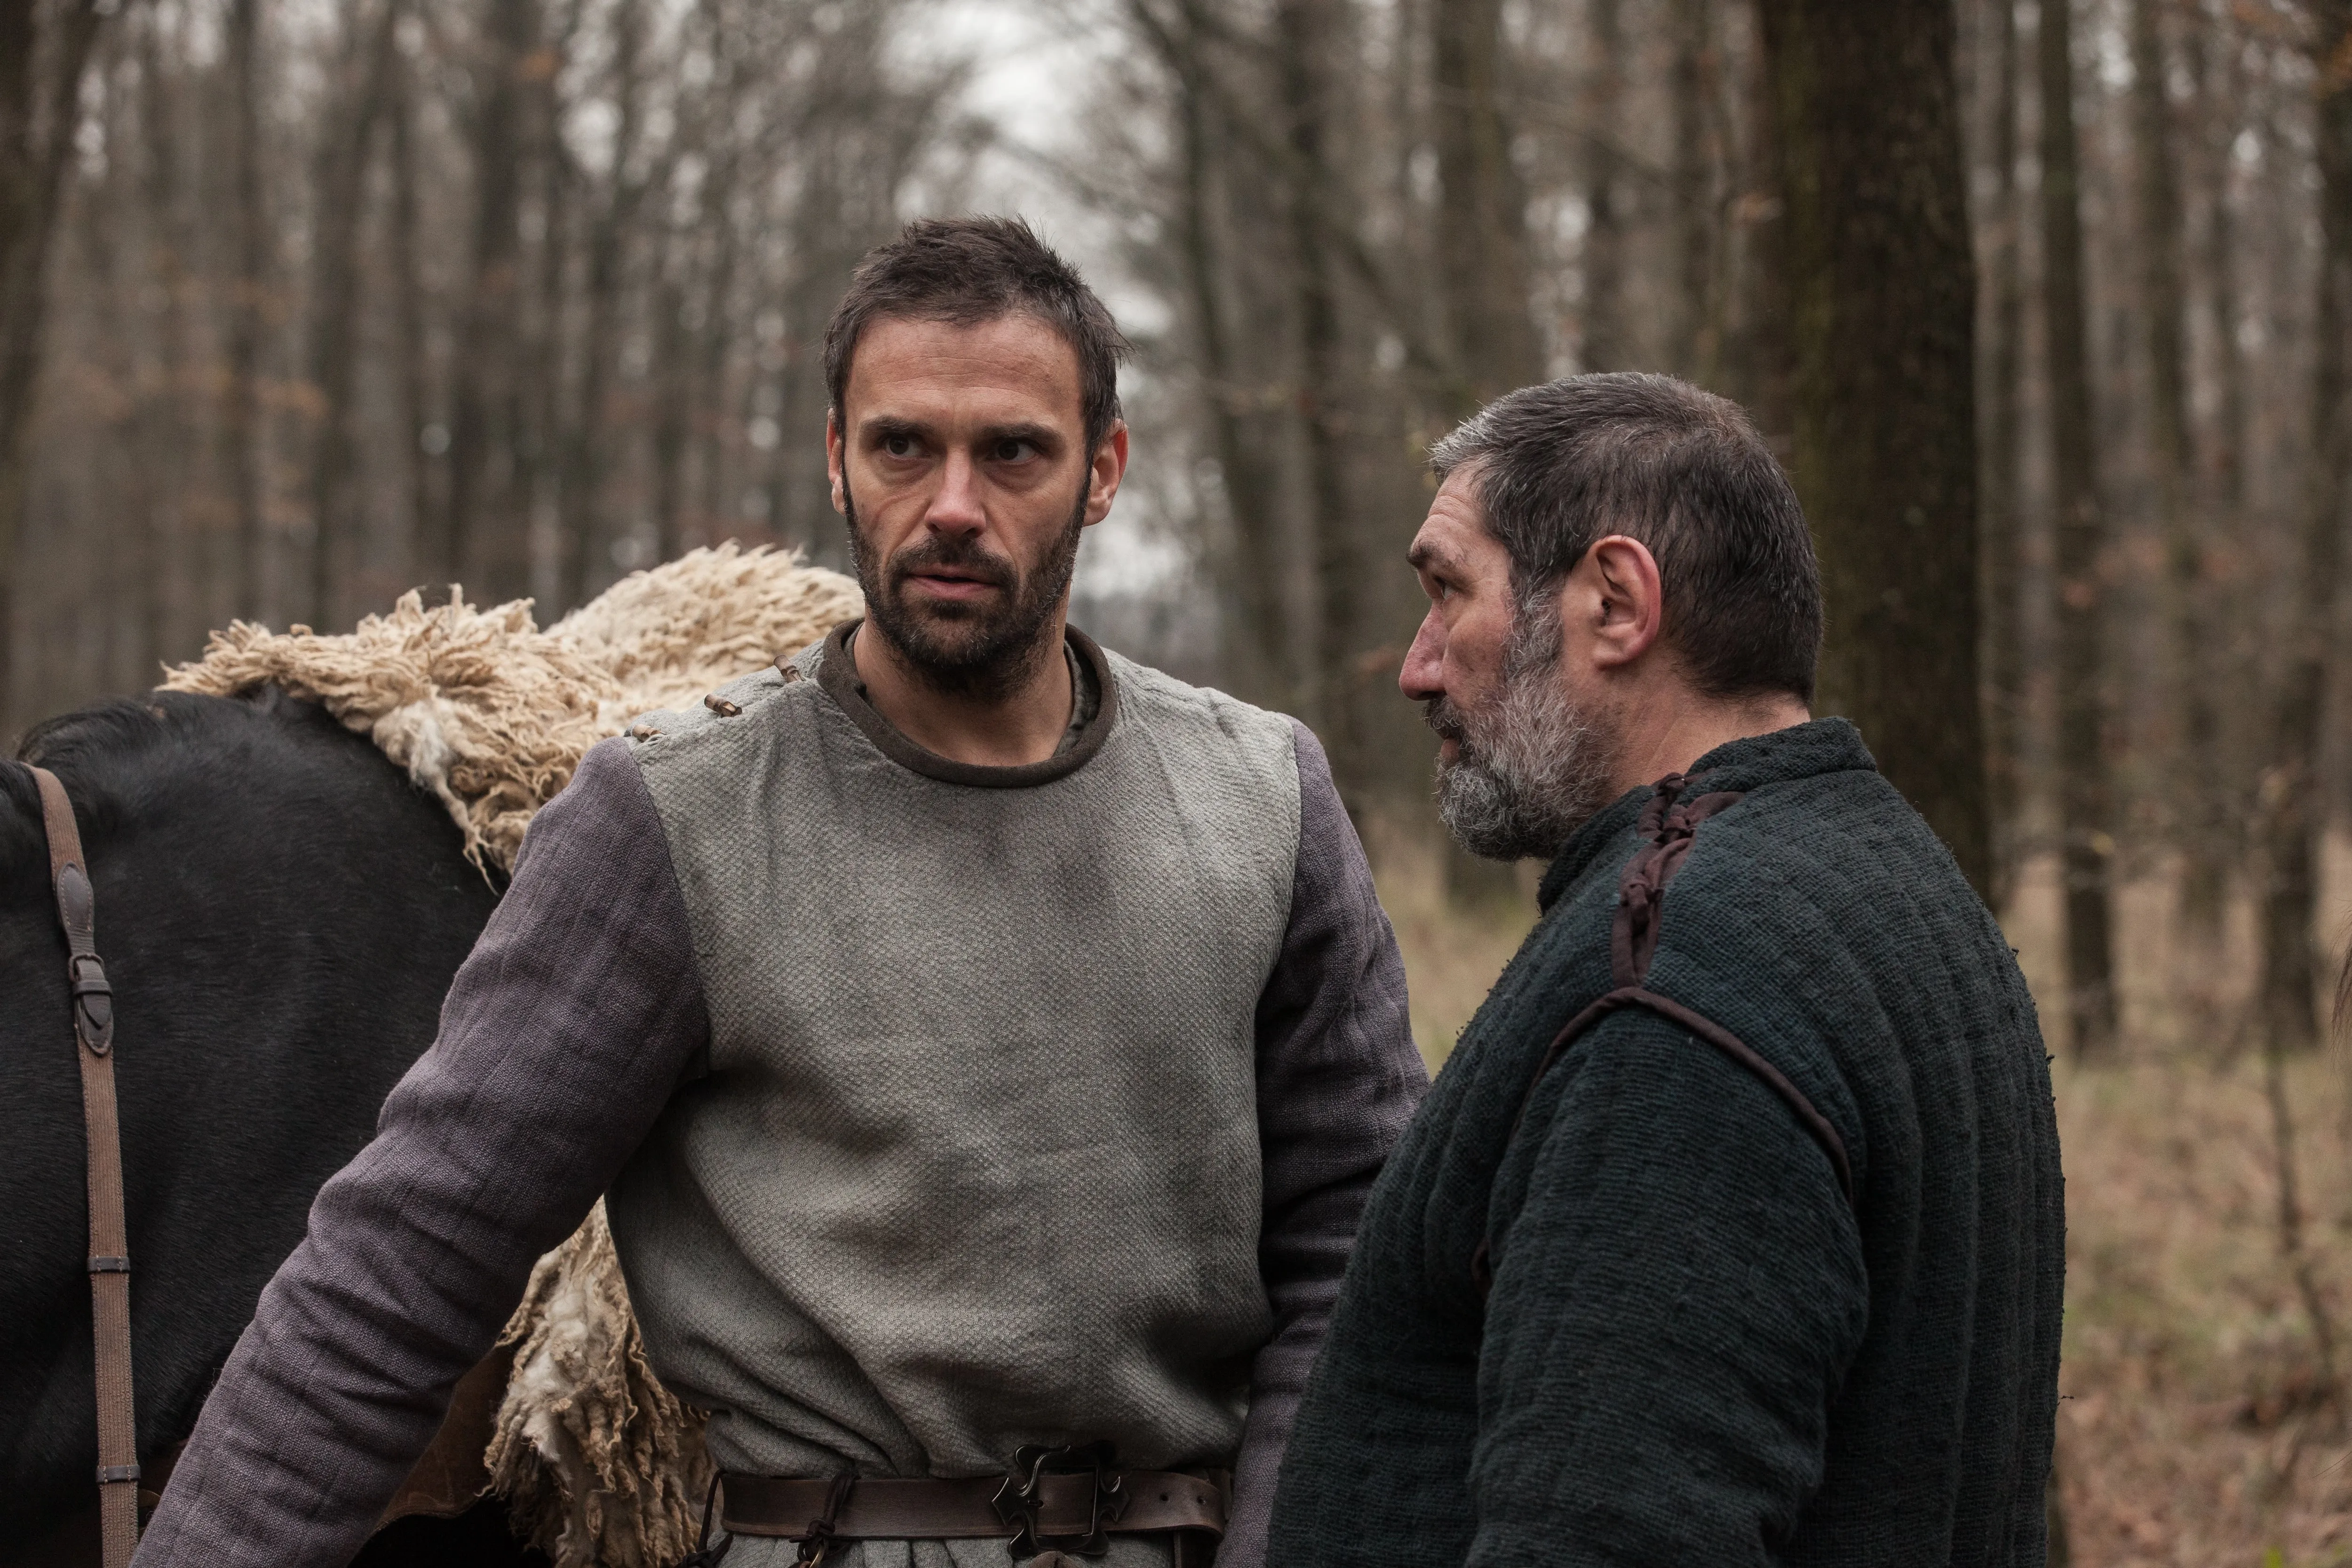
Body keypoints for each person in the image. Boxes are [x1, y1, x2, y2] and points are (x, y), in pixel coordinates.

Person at [133, 216, 1425, 1568]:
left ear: (1103, 470)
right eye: (902, 445)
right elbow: (403, 1264)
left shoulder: (1262, 797)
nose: (953, 505)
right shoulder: (677, 818)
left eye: (1014, 451)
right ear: (836, 459)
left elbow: (1365, 1256)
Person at [1267, 374, 2064, 1566]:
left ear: (1615, 600)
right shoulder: (1894, 886)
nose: (1418, 668)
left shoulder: (1670, 992)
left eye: (1449, 591)